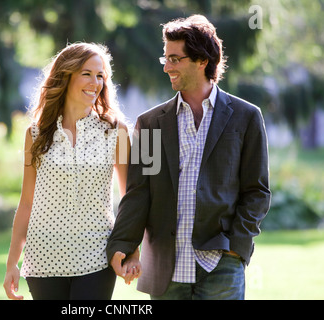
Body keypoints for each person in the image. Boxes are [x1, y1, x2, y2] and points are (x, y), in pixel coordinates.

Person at [107, 15, 271, 300]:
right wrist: (123, 244)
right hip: (165, 270)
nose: (167, 67)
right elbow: (138, 192)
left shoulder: (246, 117)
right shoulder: (150, 124)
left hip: (222, 264)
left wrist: (237, 246)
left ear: (202, 61)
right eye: (165, 59)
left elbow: (257, 191)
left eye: (175, 59)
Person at [3, 42, 140, 300]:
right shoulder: (36, 133)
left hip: (96, 257)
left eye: (100, 76)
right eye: (86, 73)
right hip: (43, 259)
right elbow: (27, 202)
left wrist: (132, 250)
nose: (95, 82)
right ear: (65, 76)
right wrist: (12, 262)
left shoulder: (115, 131)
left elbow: (129, 197)